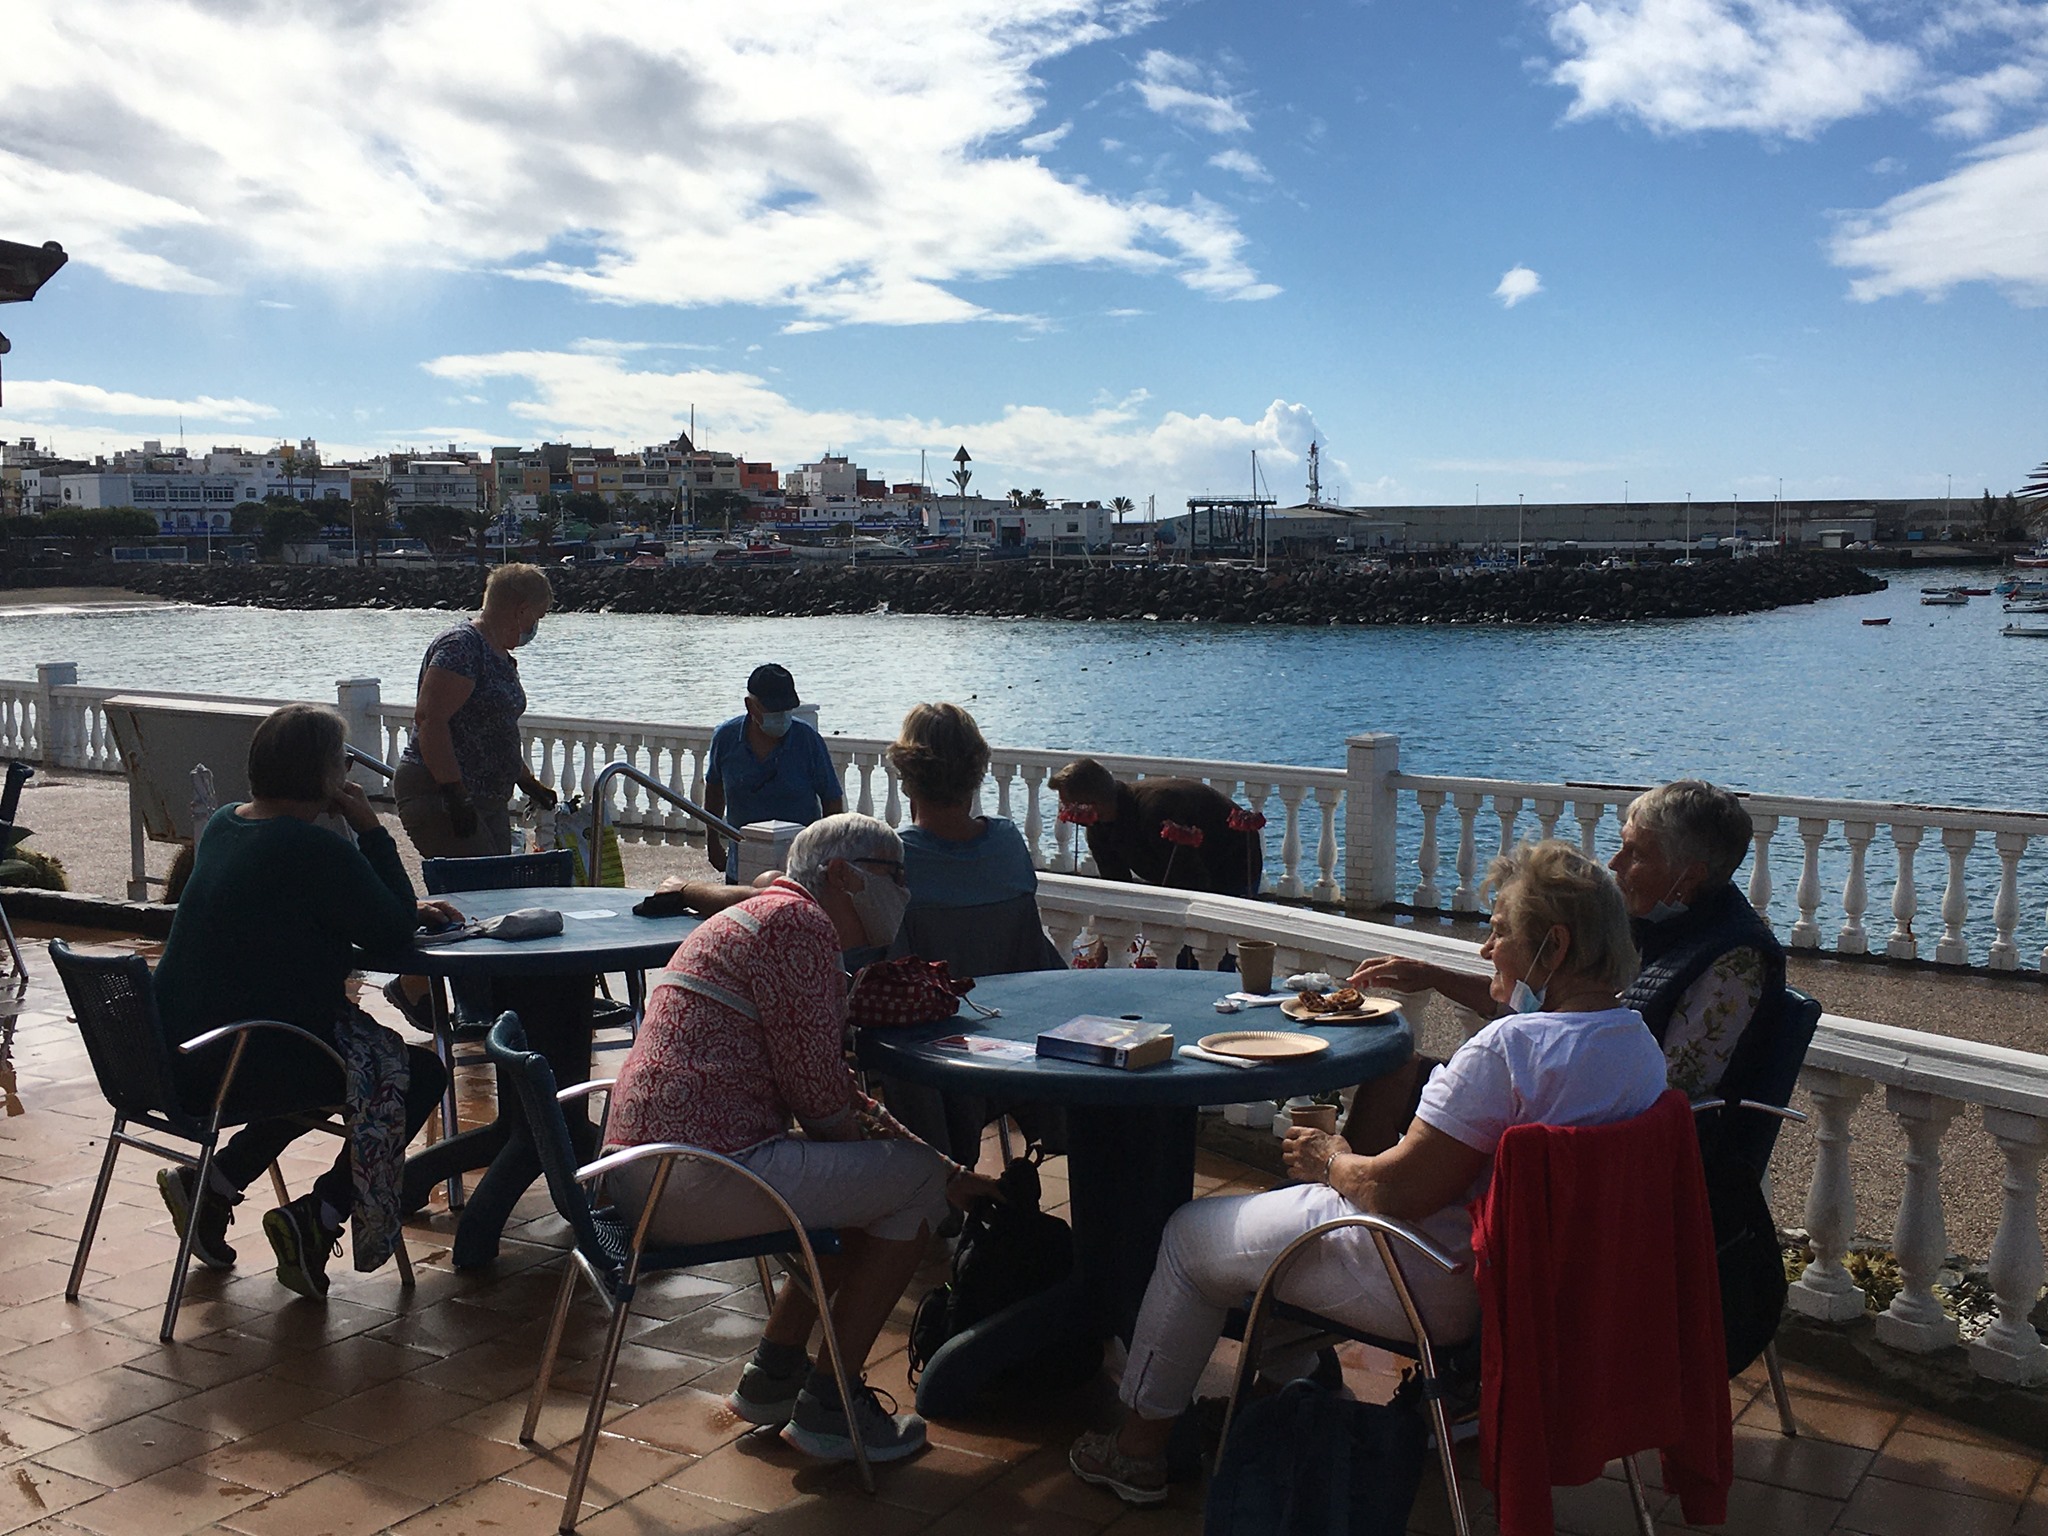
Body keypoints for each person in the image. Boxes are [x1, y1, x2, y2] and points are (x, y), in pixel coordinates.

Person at [1068, 841, 1666, 1506]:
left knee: (1188, 1238)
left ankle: (1137, 1452)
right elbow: (1535, 1040)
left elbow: (1399, 1191)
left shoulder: (1506, 1051)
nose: (1484, 949)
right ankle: (1278, 1401)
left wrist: (1329, 1161)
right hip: (1542, 1291)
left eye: (1498, 932)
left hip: (1434, 1279)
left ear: (1552, 947)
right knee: (1272, 1231)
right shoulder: (1635, 1047)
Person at [603, 813, 997, 1465]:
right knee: (904, 1189)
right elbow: (821, 1102)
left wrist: (936, 1164)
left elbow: (831, 1093)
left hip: (652, 1168)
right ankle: (830, 1405)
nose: (904, 890)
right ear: (841, 874)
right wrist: (935, 1174)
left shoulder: (765, 918)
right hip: (698, 1175)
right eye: (893, 875)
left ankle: (773, 1377)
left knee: (879, 1184)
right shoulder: (800, 927)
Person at [152, 704, 454, 1300]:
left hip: (177, 1057)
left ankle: (216, 1180)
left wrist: (387, 908)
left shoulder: (222, 825)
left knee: (323, 1057)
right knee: (414, 1070)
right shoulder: (314, 849)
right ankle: (318, 1216)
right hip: (240, 1062)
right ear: (325, 778)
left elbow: (297, 908)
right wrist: (371, 829)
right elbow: (392, 934)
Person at [1342, 779, 1783, 1141]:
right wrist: (1431, 975)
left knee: (1423, 1102)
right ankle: (1364, 1215)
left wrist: (1504, 1092)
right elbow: (1542, 995)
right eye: (1621, 846)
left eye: (1636, 854)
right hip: (1569, 1111)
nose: (1615, 863)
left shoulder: (1734, 960)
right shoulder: (1655, 923)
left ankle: (1362, 1213)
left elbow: (1666, 1096)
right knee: (1393, 1074)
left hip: (1600, 1146)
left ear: (1689, 876)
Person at [879, 702, 1063, 1162]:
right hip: (1022, 1041)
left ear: (906, 776)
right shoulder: (1006, 845)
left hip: (932, 1066)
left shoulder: (893, 863)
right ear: (977, 772)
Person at [393, 561, 559, 858]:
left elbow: (493, 730)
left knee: (500, 892)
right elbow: (431, 719)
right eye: (538, 616)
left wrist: (526, 781)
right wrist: (454, 793)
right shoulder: (462, 647)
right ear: (521, 610)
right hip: (442, 795)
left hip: (488, 799)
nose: (535, 627)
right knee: (477, 891)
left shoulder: (498, 653)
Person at [702, 664, 845, 879]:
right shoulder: (726, 738)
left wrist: (827, 853)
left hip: (799, 866)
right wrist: (712, 842)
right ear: (751, 706)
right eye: (773, 711)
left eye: (786, 710)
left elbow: (832, 799)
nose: (781, 717)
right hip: (742, 862)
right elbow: (714, 789)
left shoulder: (807, 740)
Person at [1048, 757, 1259, 897]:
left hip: (1234, 862)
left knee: (1210, 948)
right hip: (1193, 873)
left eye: (1067, 804)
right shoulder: (1098, 825)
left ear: (1091, 802)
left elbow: (1191, 883)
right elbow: (1117, 888)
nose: (1064, 812)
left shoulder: (1156, 811)